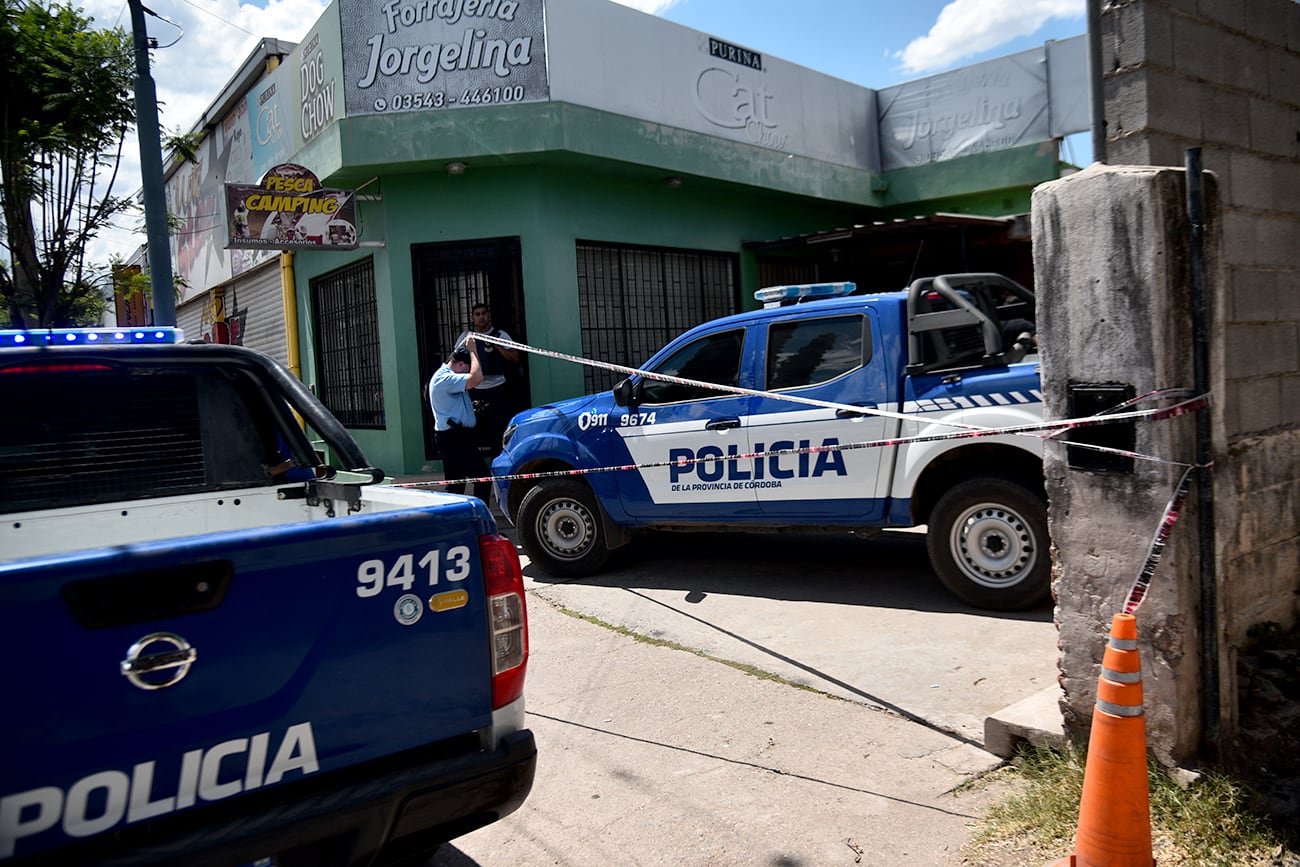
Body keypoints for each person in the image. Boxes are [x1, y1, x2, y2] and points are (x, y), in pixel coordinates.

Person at [428, 339, 491, 501]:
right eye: (467, 369)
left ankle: (455, 520)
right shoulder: (445, 379)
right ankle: (478, 518)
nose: (467, 373)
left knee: (456, 485)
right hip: (455, 438)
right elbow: (477, 378)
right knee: (483, 479)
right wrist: (473, 351)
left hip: (456, 437)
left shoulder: (447, 377)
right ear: (461, 365)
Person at [455, 302, 521, 457]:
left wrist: (497, 345)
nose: (481, 317)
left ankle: (498, 460)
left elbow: (515, 357)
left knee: (499, 427)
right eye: (477, 314)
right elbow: (455, 360)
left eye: (484, 313)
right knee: (473, 427)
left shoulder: (500, 335)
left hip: (498, 388)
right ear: (472, 318)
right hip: (475, 389)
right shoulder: (467, 336)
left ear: (489, 315)